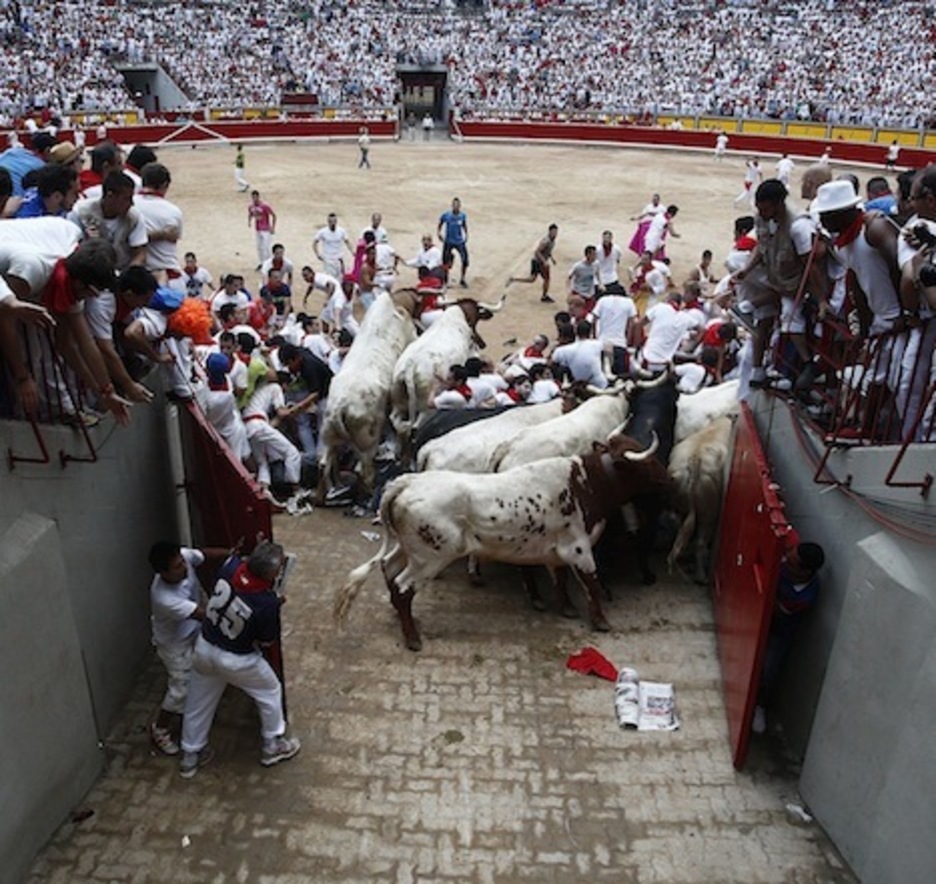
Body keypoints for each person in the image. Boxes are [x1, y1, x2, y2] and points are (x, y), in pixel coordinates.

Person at [178, 541, 301, 777]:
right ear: (273, 573)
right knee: (270, 691)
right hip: (236, 660)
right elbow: (266, 642)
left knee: (197, 702)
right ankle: (272, 746)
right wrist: (274, 605)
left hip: (204, 647)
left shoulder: (229, 567)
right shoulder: (267, 603)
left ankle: (190, 756)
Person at [147, 541, 234, 756]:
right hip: (174, 645)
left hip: (192, 631)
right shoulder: (165, 598)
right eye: (177, 567)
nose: (185, 567)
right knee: (180, 689)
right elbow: (204, 615)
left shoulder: (183, 557)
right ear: (163, 573)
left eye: (182, 562)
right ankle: (160, 729)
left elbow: (203, 554)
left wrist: (231, 554)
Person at [752, 541, 826, 735]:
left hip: (779, 633)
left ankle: (759, 707)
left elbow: (774, 608)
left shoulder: (805, 596)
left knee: (768, 671)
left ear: (804, 572)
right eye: (787, 557)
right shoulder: (784, 561)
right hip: (757, 620)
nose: (784, 563)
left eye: (790, 563)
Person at [506, 223, 558, 302]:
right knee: (546, 279)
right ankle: (544, 296)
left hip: (537, 261)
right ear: (549, 231)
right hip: (539, 262)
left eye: (556, 232)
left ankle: (513, 279)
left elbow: (547, 251)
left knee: (532, 279)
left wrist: (552, 258)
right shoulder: (546, 241)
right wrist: (544, 261)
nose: (555, 234)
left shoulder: (552, 241)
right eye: (554, 232)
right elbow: (537, 252)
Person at [438, 197, 469, 288]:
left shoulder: (462, 216)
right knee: (445, 261)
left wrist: (466, 234)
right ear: (452, 206)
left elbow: (464, 225)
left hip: (459, 241)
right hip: (448, 241)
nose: (455, 206)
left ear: (460, 206)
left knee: (465, 260)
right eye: (454, 205)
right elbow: (440, 223)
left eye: (457, 205)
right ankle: (445, 280)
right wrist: (439, 232)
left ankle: (462, 279)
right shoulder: (446, 215)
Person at [313, 212, 352, 281]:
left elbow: (347, 241)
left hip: (339, 258)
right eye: (331, 221)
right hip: (328, 259)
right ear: (328, 222)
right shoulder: (323, 232)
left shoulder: (341, 231)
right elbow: (315, 243)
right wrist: (317, 254)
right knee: (330, 279)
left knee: (340, 278)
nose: (333, 223)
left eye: (334, 221)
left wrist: (352, 251)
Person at [247, 190, 276, 269]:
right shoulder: (251, 206)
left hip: (266, 229)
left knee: (266, 247)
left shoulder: (264, 206)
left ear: (258, 197)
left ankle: (269, 263)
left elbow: (273, 215)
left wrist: (273, 227)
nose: (254, 199)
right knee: (259, 247)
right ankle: (262, 262)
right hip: (258, 229)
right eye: (253, 197)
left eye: (255, 197)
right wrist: (249, 222)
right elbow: (250, 214)